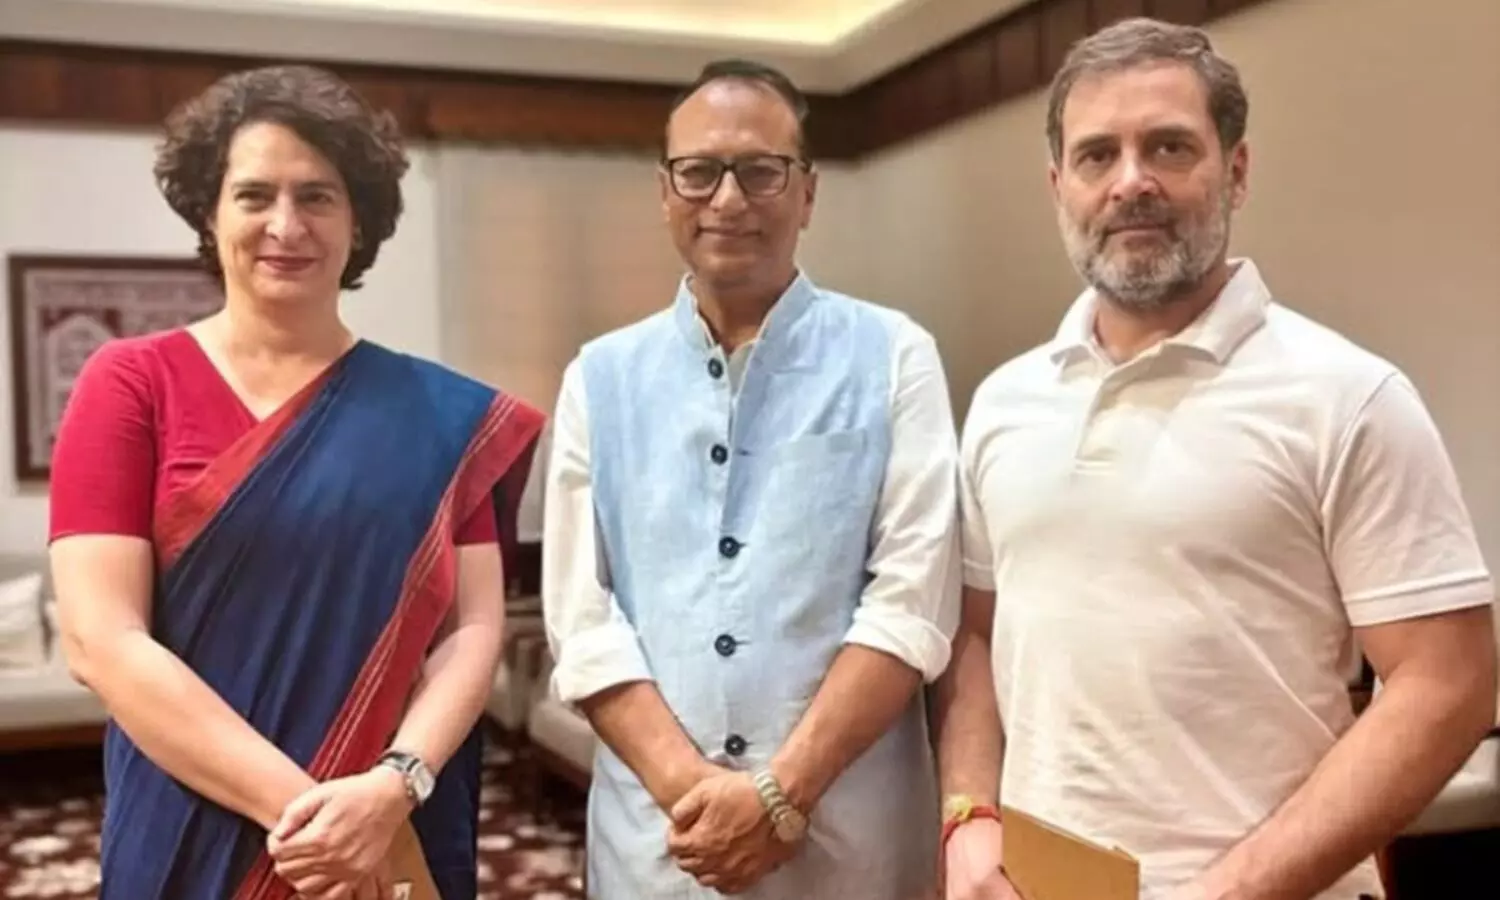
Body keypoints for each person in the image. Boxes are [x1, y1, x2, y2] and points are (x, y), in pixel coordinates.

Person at [933, 16, 1498, 900]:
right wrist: (968, 819)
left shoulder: (1349, 395)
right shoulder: (1004, 403)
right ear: (1058, 187)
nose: (1131, 182)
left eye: (1169, 146)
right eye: (1097, 155)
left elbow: (1450, 683)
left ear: (1235, 170)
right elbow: (974, 635)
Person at [47, 65, 545, 900]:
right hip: (194, 814)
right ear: (209, 213)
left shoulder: (443, 416)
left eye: (317, 196)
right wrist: (321, 821)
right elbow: (101, 640)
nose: (286, 225)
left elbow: (472, 627)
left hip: (392, 812)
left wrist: (393, 787)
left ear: (359, 221)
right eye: (254, 195)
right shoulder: (132, 384)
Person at [540, 58, 962, 898]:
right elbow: (583, 621)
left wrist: (779, 795)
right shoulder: (599, 377)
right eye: (699, 172)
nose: (728, 199)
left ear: (807, 193)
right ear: (665, 192)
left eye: (761, 171)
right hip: (661, 848)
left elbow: (912, 602)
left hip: (849, 847)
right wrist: (697, 797)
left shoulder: (894, 355)